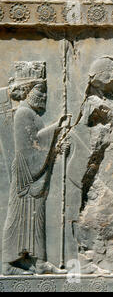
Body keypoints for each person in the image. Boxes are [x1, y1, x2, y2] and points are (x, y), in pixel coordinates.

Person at [2, 61, 69, 275]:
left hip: (34, 176)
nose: (45, 96)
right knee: (18, 220)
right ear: (28, 90)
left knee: (36, 218)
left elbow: (39, 144)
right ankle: (9, 264)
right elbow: (28, 149)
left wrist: (56, 142)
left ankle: (39, 262)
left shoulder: (32, 114)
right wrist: (55, 129)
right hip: (26, 175)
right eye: (41, 90)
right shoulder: (23, 113)